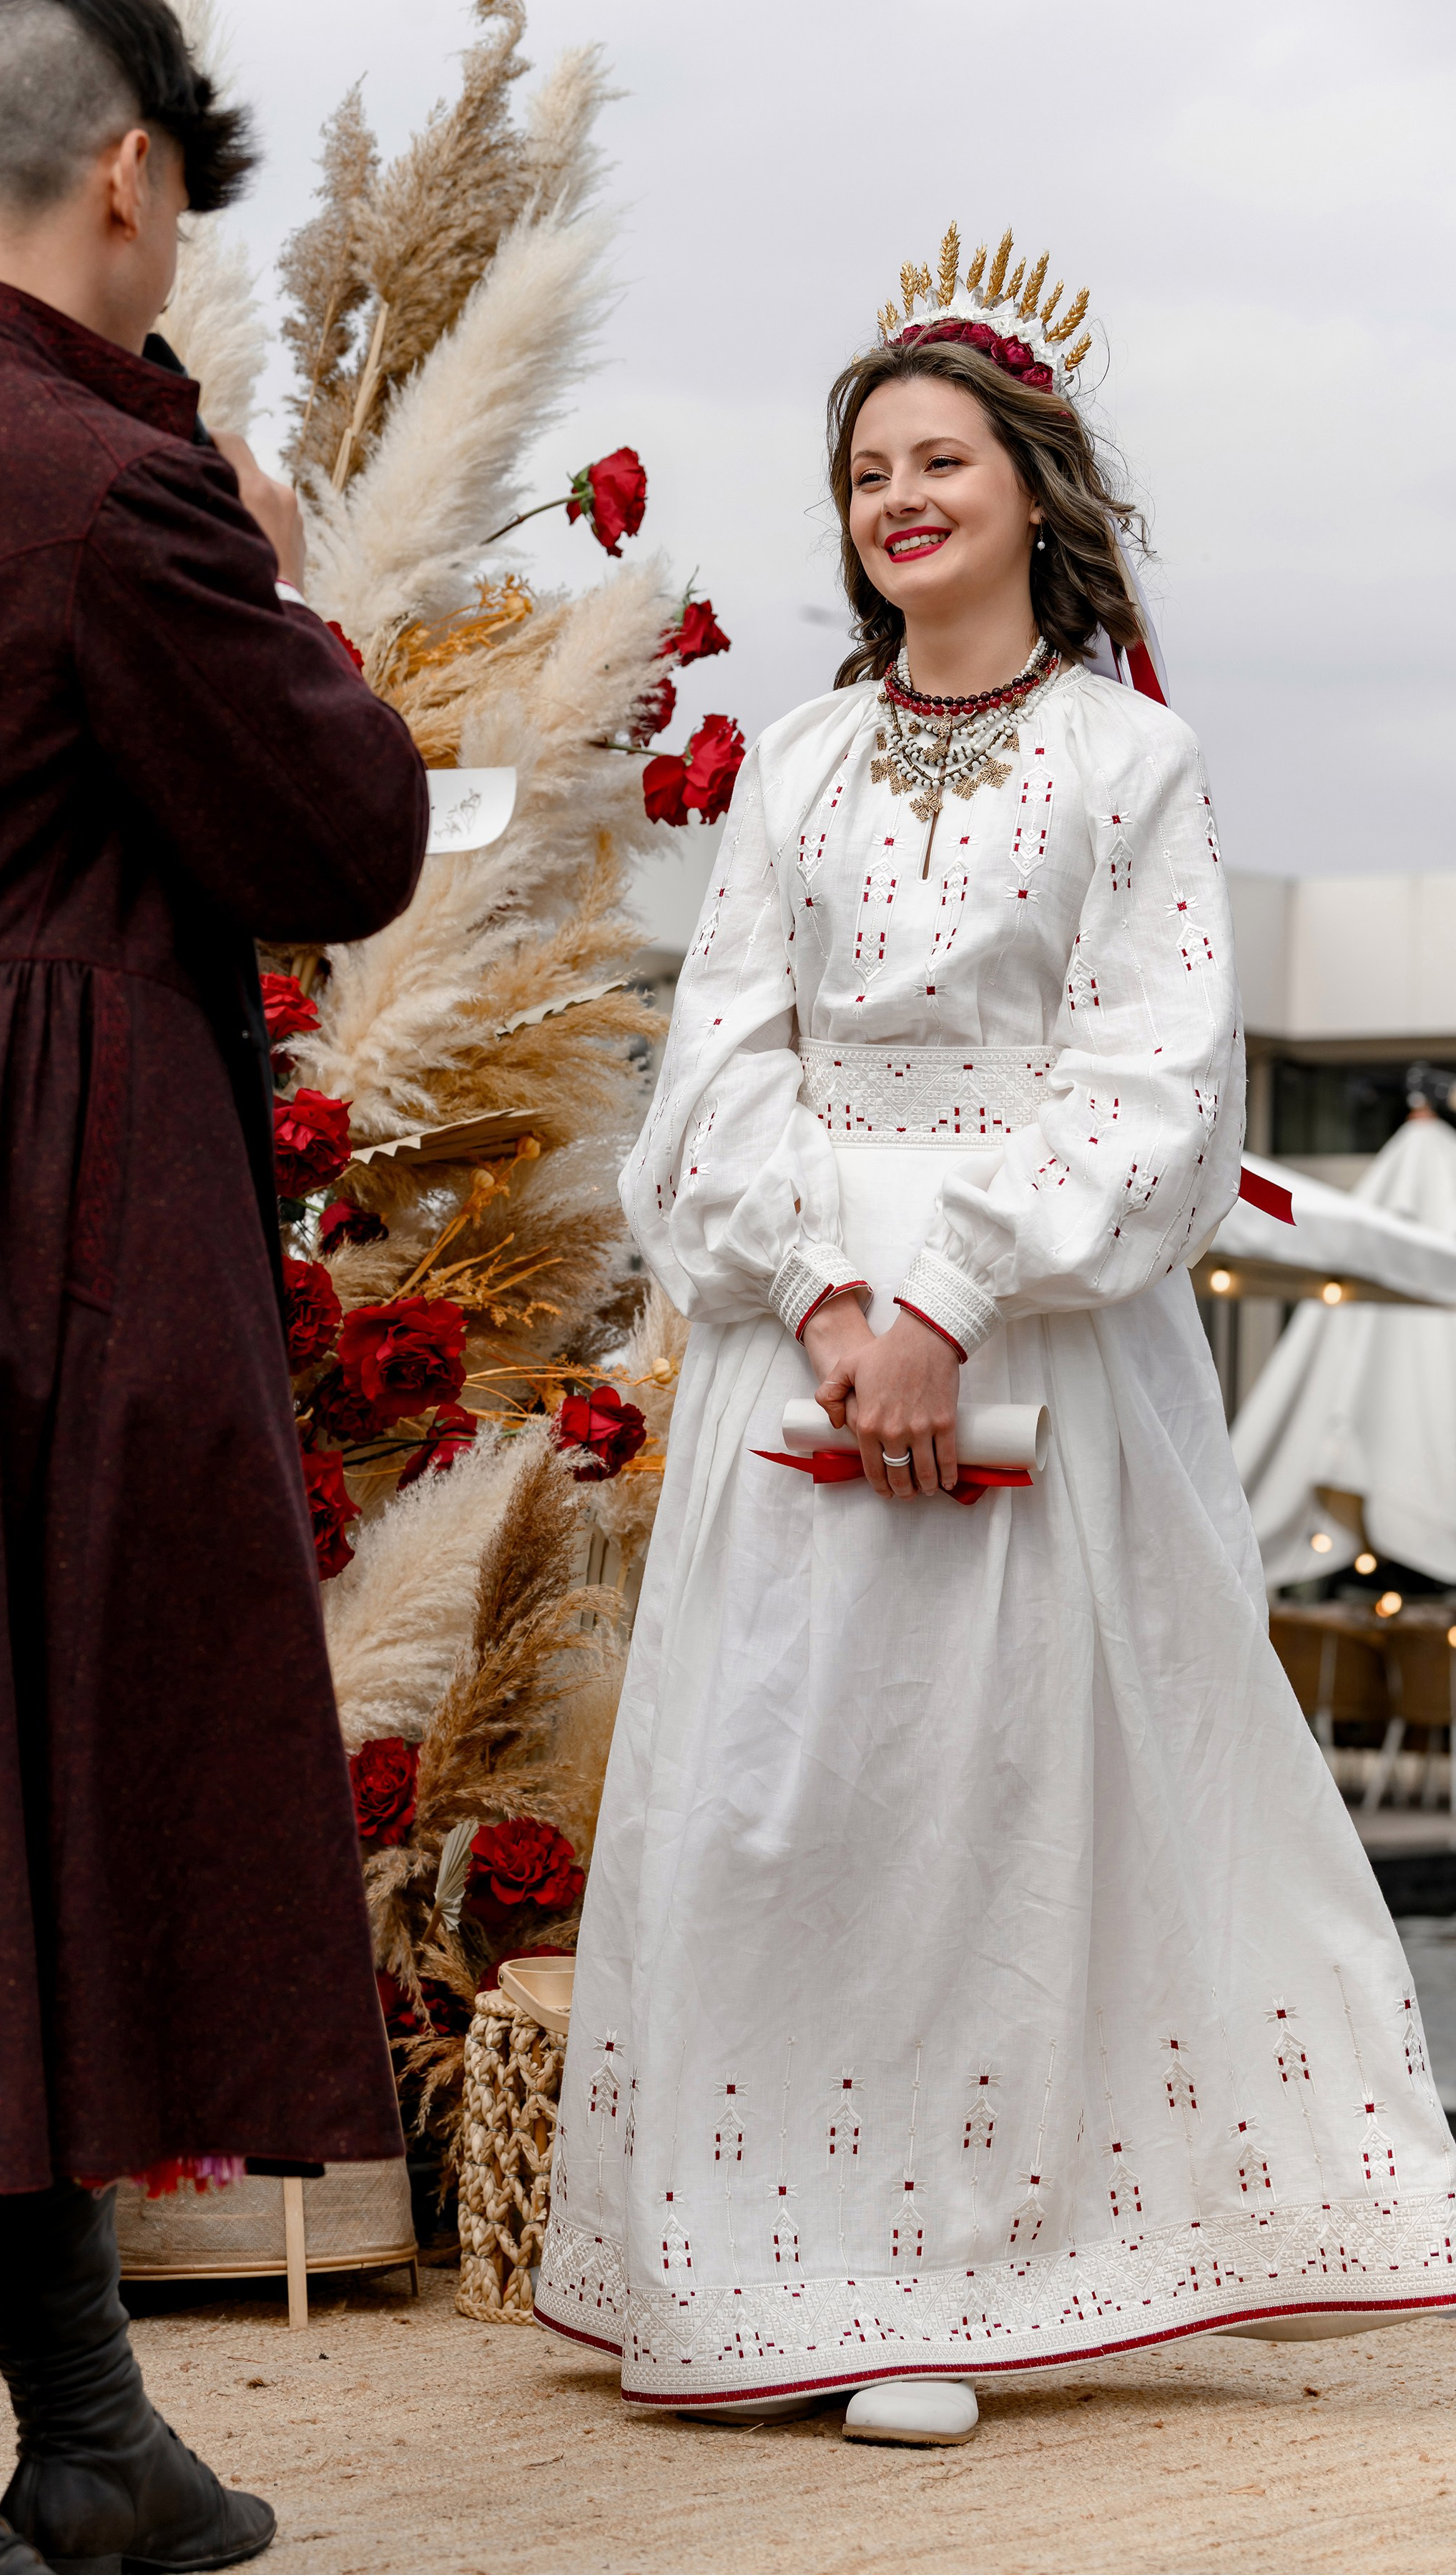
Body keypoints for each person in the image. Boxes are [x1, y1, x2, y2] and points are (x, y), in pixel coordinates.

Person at [533, 229, 1456, 2445]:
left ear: (1032, 485)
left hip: (1043, 1349)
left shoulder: (1137, 761)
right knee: (793, 1810)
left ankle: (954, 2276)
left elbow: (1154, 1091)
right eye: (867, 471)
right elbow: (718, 1066)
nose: (898, 497)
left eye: (940, 458)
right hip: (800, 1342)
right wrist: (841, 1300)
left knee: (1001, 1813)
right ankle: (771, 2270)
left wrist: (949, 1294)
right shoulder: (803, 769)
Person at [0, 0, 426, 2566]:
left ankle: (94, 2433)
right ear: (130, 176)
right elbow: (340, 830)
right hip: (52, 1240)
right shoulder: (108, 491)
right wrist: (248, 540)